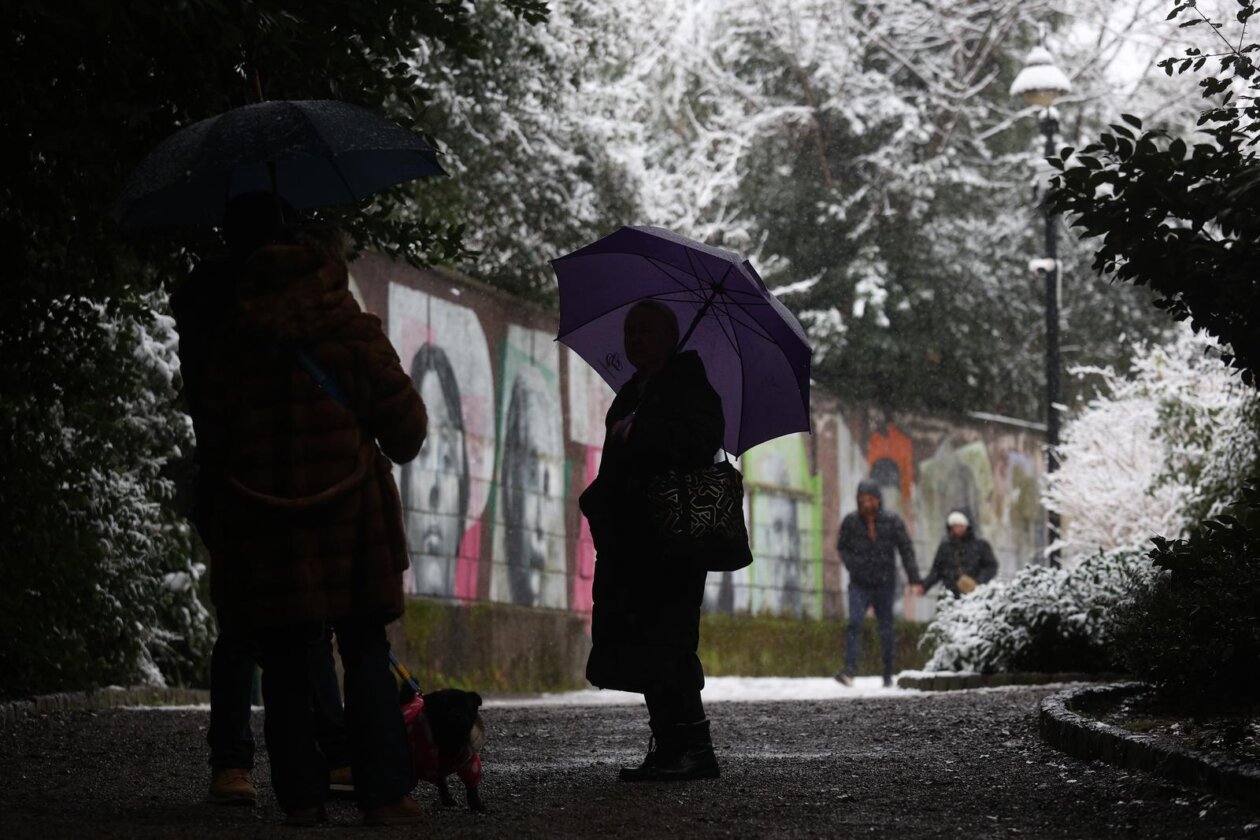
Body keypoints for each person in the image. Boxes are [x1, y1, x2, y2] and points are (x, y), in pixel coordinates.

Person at [192, 200, 428, 826]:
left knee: (287, 661)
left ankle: (301, 799)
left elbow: (212, 444)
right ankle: (385, 795)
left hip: (264, 531)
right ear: (325, 256)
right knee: (364, 653)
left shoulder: (233, 339)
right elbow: (406, 432)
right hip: (352, 528)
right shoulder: (350, 330)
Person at [172, 195, 352, 807]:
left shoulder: (203, 297)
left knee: (242, 625)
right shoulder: (287, 298)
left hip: (228, 474)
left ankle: (234, 766)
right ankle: (327, 757)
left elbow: (203, 397)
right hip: (290, 475)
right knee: (309, 618)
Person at [581, 300, 725, 782]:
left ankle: (696, 748)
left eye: (646, 331)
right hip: (633, 543)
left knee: (671, 641)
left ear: (669, 337)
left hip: (674, 540)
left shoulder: (688, 386)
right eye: (630, 331)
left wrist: (646, 430)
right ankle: (667, 745)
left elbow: (701, 443)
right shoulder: (632, 393)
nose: (635, 340)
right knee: (643, 644)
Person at [834, 479, 923, 688]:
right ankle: (849, 670)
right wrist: (853, 566)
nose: (866, 504)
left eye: (870, 499)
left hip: (885, 584)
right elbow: (842, 547)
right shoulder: (850, 522)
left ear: (878, 500)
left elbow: (906, 550)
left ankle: (887, 674)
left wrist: (914, 579)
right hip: (859, 584)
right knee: (854, 624)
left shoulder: (892, 521)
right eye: (862, 500)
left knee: (886, 629)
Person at [923, 509, 998, 598]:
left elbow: (991, 566)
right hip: (949, 595)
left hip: (975, 595)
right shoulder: (945, 546)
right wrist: (923, 586)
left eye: (960, 526)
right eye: (954, 526)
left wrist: (977, 582)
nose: (957, 529)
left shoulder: (981, 545)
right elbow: (936, 571)